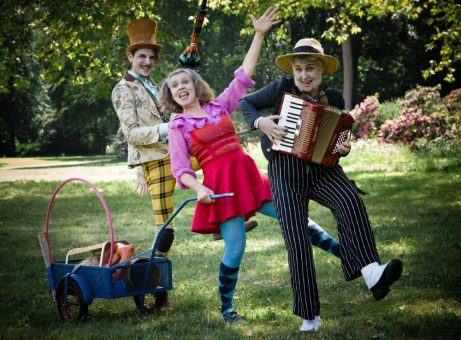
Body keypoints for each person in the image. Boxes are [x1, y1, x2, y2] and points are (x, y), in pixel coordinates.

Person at [160, 7, 341, 323]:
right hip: (221, 189)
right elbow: (181, 171)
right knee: (235, 247)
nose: (180, 87)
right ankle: (227, 308)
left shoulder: (219, 107)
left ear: (196, 85)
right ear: (172, 96)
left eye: (184, 81)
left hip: (249, 177)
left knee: (294, 215)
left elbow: (243, 75)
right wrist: (199, 187)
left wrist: (258, 34)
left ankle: (346, 254)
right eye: (174, 86)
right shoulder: (179, 126)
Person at [239, 38, 403, 332]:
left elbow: (340, 136)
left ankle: (371, 273)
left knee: (351, 200)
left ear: (321, 71)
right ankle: (309, 317)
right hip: (286, 174)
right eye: (299, 69)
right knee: (297, 241)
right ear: (293, 70)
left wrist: (344, 147)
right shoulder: (279, 89)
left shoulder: (335, 98)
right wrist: (260, 123)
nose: (304, 75)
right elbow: (246, 103)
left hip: (323, 170)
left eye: (310, 69)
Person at [111, 18, 258, 312]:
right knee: (165, 230)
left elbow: (184, 96)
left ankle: (225, 222)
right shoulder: (123, 90)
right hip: (157, 160)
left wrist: (188, 68)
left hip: (179, 150)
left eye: (152, 57)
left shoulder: (152, 84)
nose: (148, 61)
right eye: (142, 56)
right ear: (130, 57)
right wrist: (171, 128)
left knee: (219, 160)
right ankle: (155, 290)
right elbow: (132, 134)